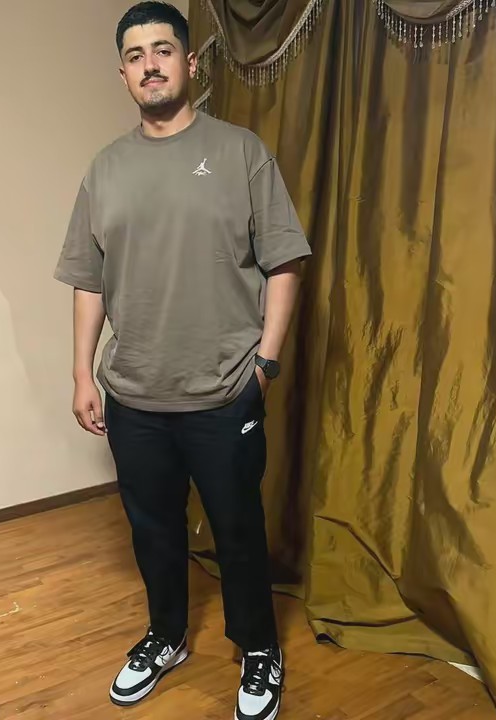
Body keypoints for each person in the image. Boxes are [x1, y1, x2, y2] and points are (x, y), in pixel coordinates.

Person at [54, 3, 311, 718]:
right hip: (134, 395)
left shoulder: (241, 152)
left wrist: (264, 364)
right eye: (135, 55)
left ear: (190, 63)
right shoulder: (105, 169)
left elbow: (285, 261)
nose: (151, 65)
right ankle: (165, 636)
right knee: (153, 530)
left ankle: (259, 649)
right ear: (123, 74)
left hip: (224, 392)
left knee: (238, 533)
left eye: (163, 50)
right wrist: (81, 373)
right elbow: (88, 279)